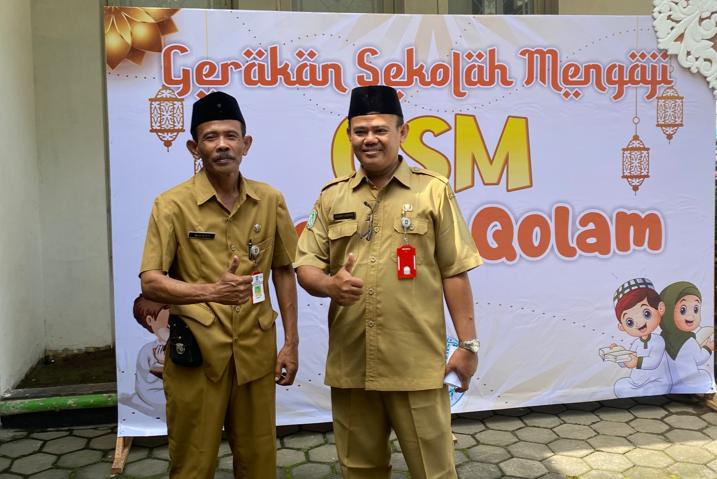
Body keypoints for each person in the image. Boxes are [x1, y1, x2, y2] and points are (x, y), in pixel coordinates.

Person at [294, 85, 482, 479]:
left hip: (415, 364)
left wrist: (468, 346)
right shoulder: (332, 197)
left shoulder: (433, 190)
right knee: (360, 470)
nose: (370, 139)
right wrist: (329, 286)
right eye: (360, 131)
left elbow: (455, 271)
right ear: (349, 135)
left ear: (402, 132)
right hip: (353, 364)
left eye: (380, 130)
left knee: (434, 471)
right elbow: (306, 265)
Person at [139, 91, 299, 479]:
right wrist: (211, 292)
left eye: (231, 136)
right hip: (198, 354)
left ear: (246, 144)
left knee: (259, 459)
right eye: (211, 137)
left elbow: (283, 270)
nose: (222, 145)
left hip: (255, 351)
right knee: (193, 463)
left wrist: (291, 344)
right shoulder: (171, 205)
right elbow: (150, 282)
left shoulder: (269, 200)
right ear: (194, 147)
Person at [609, 278, 671, 398]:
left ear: (660, 308)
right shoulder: (636, 343)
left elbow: (653, 362)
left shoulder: (658, 340)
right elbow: (627, 363)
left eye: (646, 313)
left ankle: (646, 393)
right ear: (622, 327)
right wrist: (619, 354)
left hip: (657, 382)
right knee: (619, 386)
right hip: (636, 383)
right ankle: (640, 392)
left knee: (655, 389)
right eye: (630, 322)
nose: (639, 323)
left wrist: (636, 361)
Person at [660, 281, 714, 393]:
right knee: (706, 376)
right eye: (683, 310)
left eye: (696, 309)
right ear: (668, 312)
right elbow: (699, 359)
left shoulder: (663, 337)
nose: (691, 316)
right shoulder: (687, 340)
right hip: (689, 383)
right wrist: (708, 348)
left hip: (671, 382)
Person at [130, 294, 170, 414]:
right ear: (150, 321)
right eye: (167, 325)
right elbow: (151, 377)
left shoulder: (173, 344)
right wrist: (162, 362)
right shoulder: (147, 350)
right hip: (154, 393)